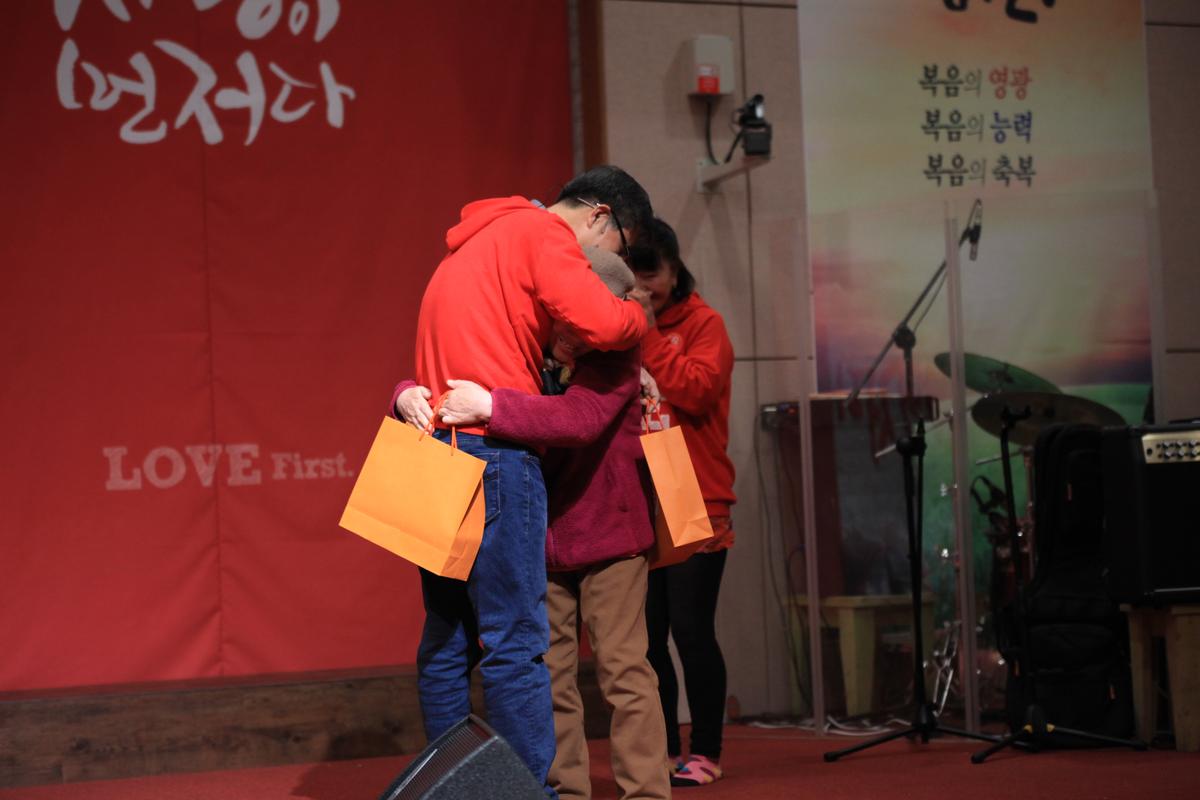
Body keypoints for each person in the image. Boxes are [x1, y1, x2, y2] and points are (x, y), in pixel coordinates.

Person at [403, 167, 656, 797]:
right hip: (493, 457)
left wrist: (410, 391)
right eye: (620, 247)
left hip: (440, 451)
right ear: (599, 216)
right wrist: (637, 315)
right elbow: (607, 325)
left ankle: (454, 790)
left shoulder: (476, 240)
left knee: (448, 642)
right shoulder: (541, 234)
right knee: (514, 646)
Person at [632, 218, 736, 788]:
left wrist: (647, 334)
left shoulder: (705, 324)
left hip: (695, 492)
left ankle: (707, 751)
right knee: (647, 640)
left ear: (675, 270)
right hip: (642, 496)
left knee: (692, 631)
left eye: (652, 273)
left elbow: (695, 390)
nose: (643, 286)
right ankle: (665, 749)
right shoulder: (622, 326)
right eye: (634, 274)